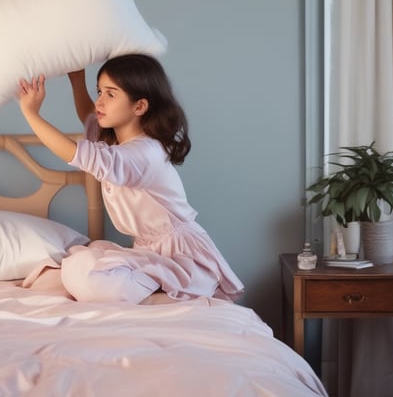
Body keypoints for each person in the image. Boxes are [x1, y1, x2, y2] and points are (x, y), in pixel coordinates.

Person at [17, 54, 244, 304]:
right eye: (99, 91)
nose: (99, 101)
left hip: (180, 254)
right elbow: (89, 117)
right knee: (78, 266)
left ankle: (166, 297)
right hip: (149, 250)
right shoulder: (114, 140)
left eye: (110, 94)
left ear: (139, 107)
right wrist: (77, 81)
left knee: (91, 276)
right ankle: (152, 294)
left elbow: (77, 154)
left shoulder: (144, 152)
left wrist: (32, 115)